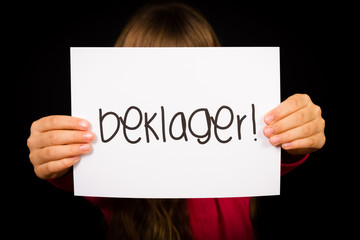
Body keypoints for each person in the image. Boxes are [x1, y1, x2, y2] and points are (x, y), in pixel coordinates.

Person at [26, 2, 326, 240]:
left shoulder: (235, 156)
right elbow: (78, 172)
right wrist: (56, 156)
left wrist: (295, 134)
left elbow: (274, 152)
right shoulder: (115, 168)